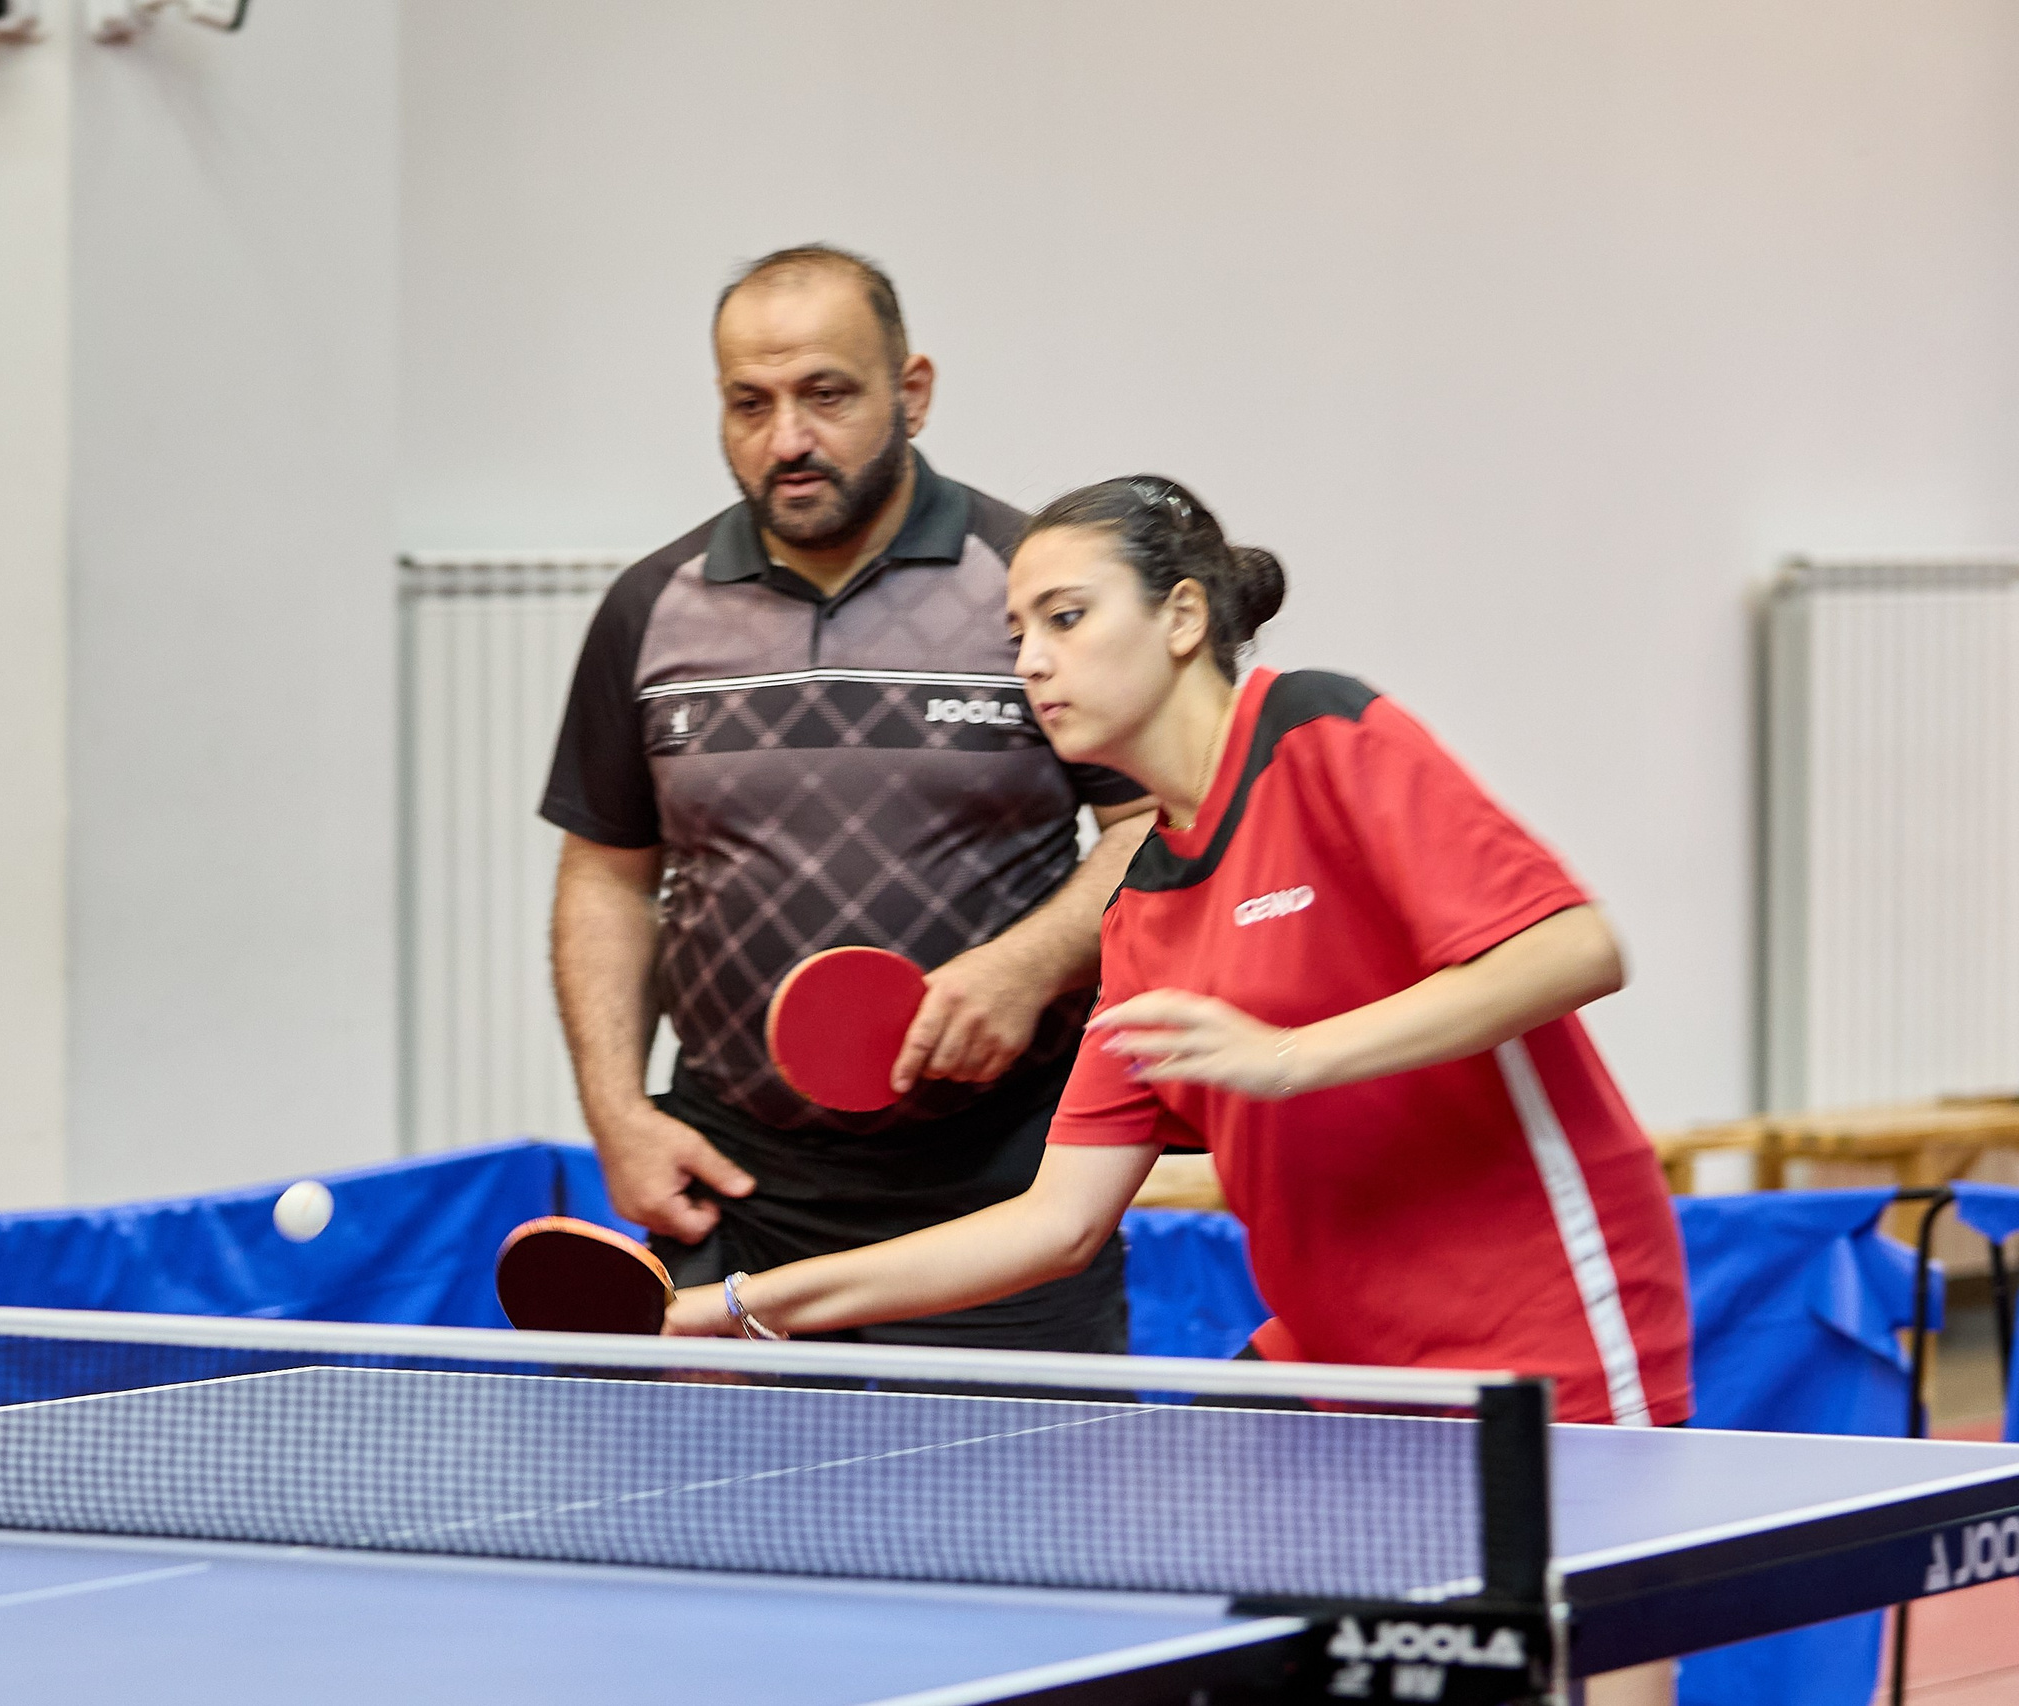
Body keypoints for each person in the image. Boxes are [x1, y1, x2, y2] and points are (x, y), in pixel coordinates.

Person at [661, 474, 1692, 1704]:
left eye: (1065, 616)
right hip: (1337, 1356)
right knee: (1205, 1649)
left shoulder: (1320, 733)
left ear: (1184, 616)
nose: (1032, 663)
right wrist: (735, 1306)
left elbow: (1575, 947)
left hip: (1537, 1325)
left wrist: (1291, 1053)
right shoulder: (1142, 899)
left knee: (1584, 1659)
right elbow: (1053, 1221)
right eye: (1016, 635)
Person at [542, 247, 1157, 1353]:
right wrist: (617, 1109)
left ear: (910, 393)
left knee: (1021, 1522)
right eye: (749, 402)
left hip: (1006, 1184)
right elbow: (606, 873)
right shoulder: (650, 607)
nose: (787, 439)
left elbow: (1151, 821)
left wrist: (1028, 963)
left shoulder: (1029, 585)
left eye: (825, 393)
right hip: (733, 1180)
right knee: (707, 1526)